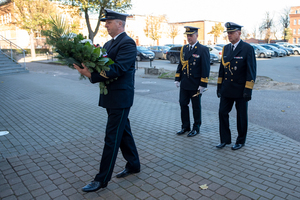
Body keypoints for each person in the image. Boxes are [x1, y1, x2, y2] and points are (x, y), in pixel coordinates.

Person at [73, 9, 140, 192]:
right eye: (106, 22)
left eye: (109, 22)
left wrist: (91, 75)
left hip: (120, 98)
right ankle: (134, 164)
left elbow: (118, 68)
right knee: (123, 132)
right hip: (112, 97)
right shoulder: (109, 43)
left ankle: (101, 179)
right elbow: (103, 61)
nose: (106, 25)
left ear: (120, 23)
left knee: (112, 138)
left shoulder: (127, 43)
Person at [216, 22, 256, 150]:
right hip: (227, 88)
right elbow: (222, 69)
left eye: (231, 33)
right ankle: (225, 139)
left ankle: (240, 140)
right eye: (228, 33)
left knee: (241, 116)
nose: (229, 35)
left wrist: (248, 89)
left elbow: (251, 71)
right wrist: (219, 86)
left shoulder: (247, 48)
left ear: (239, 33)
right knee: (222, 113)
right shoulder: (225, 49)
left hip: (240, 90)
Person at [175, 26, 210, 137]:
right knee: (182, 104)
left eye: (191, 35)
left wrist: (203, 84)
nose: (189, 37)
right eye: (187, 35)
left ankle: (196, 127)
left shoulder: (202, 49)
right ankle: (185, 126)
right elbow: (181, 64)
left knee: (196, 107)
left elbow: (205, 68)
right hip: (185, 83)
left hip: (195, 84)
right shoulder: (184, 49)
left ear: (197, 35)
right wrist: (177, 78)